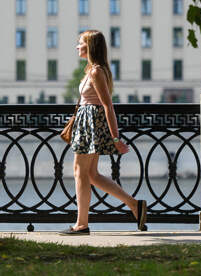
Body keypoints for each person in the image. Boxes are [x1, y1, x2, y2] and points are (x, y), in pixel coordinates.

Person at [59, 30, 147, 235]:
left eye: (80, 43)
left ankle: (82, 224)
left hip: (91, 124)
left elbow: (108, 105)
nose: (77, 46)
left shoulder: (97, 71)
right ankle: (134, 204)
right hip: (88, 123)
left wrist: (115, 138)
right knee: (91, 174)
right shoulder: (93, 70)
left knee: (80, 172)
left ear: (90, 46)